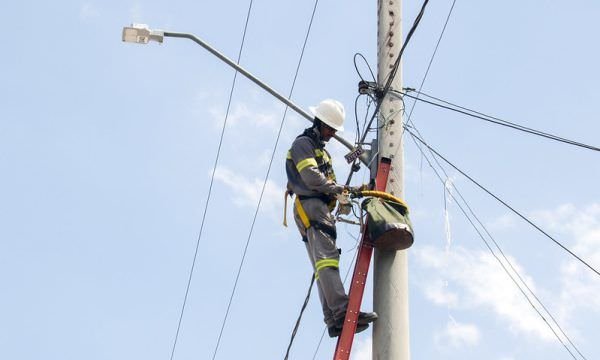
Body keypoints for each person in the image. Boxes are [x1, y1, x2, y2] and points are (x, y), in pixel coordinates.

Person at [285, 99, 378, 338]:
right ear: (319, 122)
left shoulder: (320, 150)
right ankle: (343, 311)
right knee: (327, 262)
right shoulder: (303, 144)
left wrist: (350, 191)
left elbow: (328, 183)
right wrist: (337, 190)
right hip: (311, 206)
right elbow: (312, 179)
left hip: (317, 207)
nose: (333, 134)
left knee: (322, 266)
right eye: (330, 129)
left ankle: (334, 319)